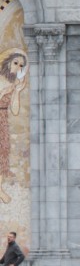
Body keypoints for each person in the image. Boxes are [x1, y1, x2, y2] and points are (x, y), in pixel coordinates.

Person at [0, 49, 27, 204]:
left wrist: (16, 91)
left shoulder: (14, 84)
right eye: (15, 63)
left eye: (21, 66)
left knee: (2, 153)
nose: (17, 67)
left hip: (2, 120)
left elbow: (15, 111)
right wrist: (6, 90)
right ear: (8, 62)